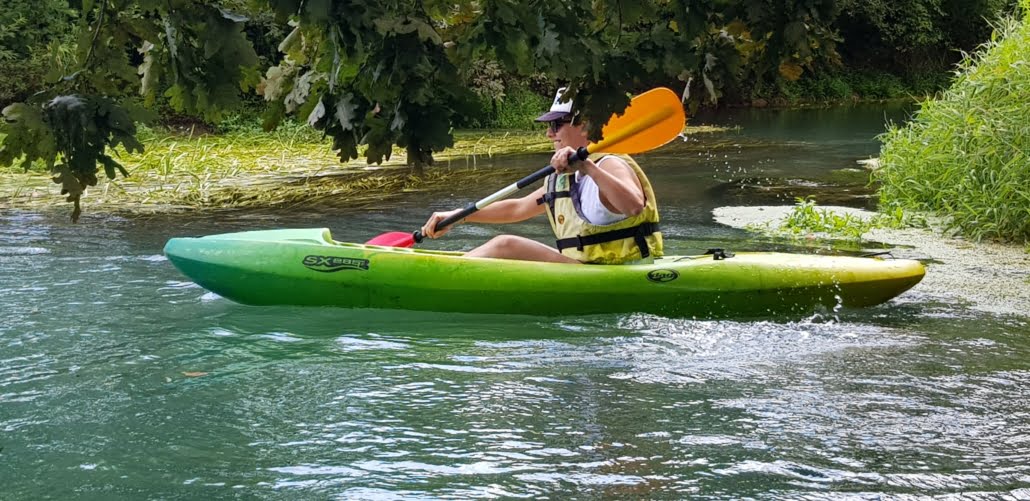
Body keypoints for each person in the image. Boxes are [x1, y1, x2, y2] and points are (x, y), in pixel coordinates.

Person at [420, 88, 662, 264]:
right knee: (504, 246)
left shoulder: (610, 164)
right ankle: (455, 269)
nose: (548, 133)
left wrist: (588, 166)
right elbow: (517, 208)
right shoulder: (563, 176)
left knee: (506, 245)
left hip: (623, 273)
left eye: (556, 125)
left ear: (586, 125)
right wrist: (459, 216)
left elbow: (633, 206)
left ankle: (438, 278)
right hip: (587, 271)